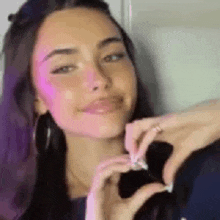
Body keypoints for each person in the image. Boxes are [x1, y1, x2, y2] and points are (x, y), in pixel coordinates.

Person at [0, 0, 219, 219]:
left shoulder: (201, 172)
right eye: (65, 68)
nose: (99, 80)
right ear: (37, 98)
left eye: (112, 56)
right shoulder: (12, 206)